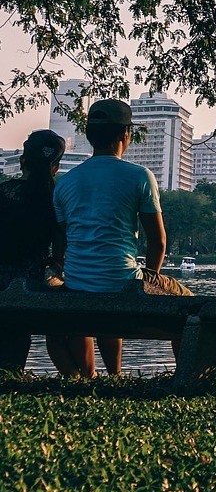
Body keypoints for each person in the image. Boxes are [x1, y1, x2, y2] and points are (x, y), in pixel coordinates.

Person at [51, 97, 190, 377]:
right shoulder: (139, 176)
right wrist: (150, 279)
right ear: (127, 134)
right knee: (190, 306)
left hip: (77, 283)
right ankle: (186, 377)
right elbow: (158, 241)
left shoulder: (64, 183)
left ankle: (105, 377)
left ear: (89, 135)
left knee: (101, 295)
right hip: (123, 281)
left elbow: (64, 242)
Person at [0, 129, 67, 372]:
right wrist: (56, 263)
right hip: (33, 280)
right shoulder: (56, 197)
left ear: (22, 161)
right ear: (55, 167)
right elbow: (61, 238)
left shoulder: (4, 193)